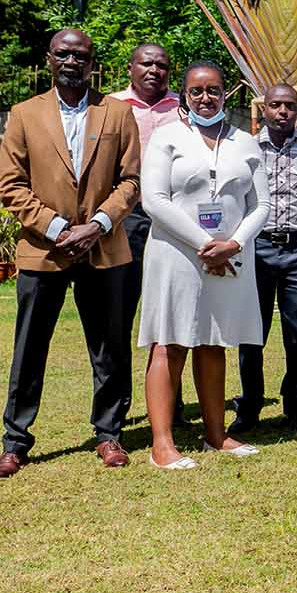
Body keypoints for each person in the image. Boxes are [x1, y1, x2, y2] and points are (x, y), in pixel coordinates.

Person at [0, 29, 141, 478]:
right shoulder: (25, 114)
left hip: (104, 248)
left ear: (93, 63)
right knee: (30, 348)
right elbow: (11, 185)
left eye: (81, 55)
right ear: (49, 59)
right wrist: (57, 228)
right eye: (64, 54)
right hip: (44, 251)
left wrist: (97, 225)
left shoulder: (117, 113)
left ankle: (109, 433)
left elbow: (131, 181)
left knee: (110, 347)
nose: (72, 61)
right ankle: (15, 442)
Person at [137, 61, 269, 470]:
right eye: (196, 91)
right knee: (170, 342)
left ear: (226, 93)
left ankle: (216, 434)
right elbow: (153, 200)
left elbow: (260, 205)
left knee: (213, 341)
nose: (205, 97)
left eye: (213, 90)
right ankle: (162, 444)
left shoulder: (245, 142)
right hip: (176, 254)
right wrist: (205, 244)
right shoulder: (167, 137)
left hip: (229, 258)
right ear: (184, 95)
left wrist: (233, 244)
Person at [230, 83, 297, 435]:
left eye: (290, 106)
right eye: (276, 105)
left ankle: (295, 407)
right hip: (258, 249)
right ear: (264, 109)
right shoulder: (246, 150)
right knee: (251, 332)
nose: (283, 112)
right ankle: (250, 406)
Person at [111, 42, 186, 425]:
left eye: (162, 64)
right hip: (127, 219)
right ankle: (116, 409)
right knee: (120, 316)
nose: (154, 70)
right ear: (131, 68)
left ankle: (172, 403)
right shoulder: (111, 107)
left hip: (174, 221)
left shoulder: (183, 109)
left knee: (172, 315)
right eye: (146, 63)